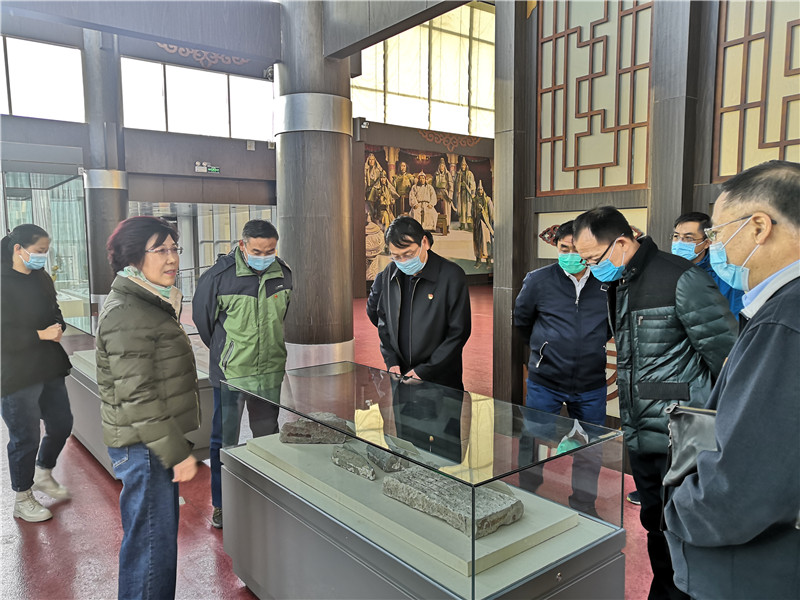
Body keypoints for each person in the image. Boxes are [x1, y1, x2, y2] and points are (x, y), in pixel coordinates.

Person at [573, 206, 737, 600]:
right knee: (655, 525)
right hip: (641, 430)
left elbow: (728, 360)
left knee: (684, 530)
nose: (590, 268)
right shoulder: (621, 281)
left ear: (622, 242)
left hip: (681, 436)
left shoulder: (680, 278)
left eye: (593, 259)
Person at [664, 160, 800, 600]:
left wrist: (679, 511)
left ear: (759, 227)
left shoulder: (784, 322)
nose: (715, 246)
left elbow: (743, 484)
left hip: (756, 571)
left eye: (718, 233)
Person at [96, 216, 200, 600]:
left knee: (152, 543)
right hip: (144, 446)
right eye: (160, 250)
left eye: (174, 248)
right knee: (152, 548)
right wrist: (175, 453)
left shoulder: (149, 301)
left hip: (149, 441)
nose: (172, 258)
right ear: (133, 257)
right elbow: (138, 394)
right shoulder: (128, 311)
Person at [192, 219, 292, 529]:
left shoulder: (283, 274)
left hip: (269, 372)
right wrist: (229, 352)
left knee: (268, 436)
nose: (264, 256)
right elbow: (204, 323)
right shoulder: (218, 277)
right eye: (257, 251)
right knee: (225, 440)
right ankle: (222, 503)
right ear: (242, 246)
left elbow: (282, 316)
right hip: (231, 374)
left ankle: (266, 495)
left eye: (270, 251)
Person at [513, 220, 610, 517]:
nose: (569, 255)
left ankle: (584, 502)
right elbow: (522, 321)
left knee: (591, 444)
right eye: (563, 248)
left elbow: (611, 325)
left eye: (575, 249)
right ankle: (528, 492)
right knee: (534, 437)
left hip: (591, 382)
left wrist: (589, 345)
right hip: (546, 380)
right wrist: (545, 350)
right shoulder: (538, 280)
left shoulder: (608, 282)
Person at [1, 224, 73, 523]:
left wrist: (58, 325)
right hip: (16, 373)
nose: (43, 256)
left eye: (46, 251)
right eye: (39, 251)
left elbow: (54, 309)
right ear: (18, 249)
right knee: (25, 437)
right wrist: (39, 335)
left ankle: (44, 471)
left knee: (61, 424)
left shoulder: (41, 277)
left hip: (48, 365)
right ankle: (22, 496)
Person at [372, 216, 471, 390]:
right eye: (396, 256)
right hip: (401, 376)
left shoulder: (451, 275)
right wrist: (391, 360)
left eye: (408, 254)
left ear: (424, 242)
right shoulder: (389, 274)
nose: (403, 261)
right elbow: (383, 320)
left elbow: (458, 332)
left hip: (441, 379)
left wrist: (425, 371)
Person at [672, 211, 744, 318]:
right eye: (676, 236)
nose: (680, 242)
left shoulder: (724, 275)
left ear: (707, 243)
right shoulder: (665, 271)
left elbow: (734, 319)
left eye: (688, 238)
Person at [471, 181, 494, 267]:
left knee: (487, 242)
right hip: (477, 224)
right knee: (477, 242)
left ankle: (488, 261)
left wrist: (489, 223)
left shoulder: (488, 200)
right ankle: (478, 260)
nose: (480, 191)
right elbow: (472, 211)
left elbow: (491, 213)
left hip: (486, 225)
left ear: (483, 190)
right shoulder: (474, 200)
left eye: (481, 189)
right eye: (478, 190)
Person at [453, 158, 475, 231]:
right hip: (461, 193)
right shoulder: (459, 174)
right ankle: (462, 225)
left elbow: (472, 183)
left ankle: (469, 225)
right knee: (462, 209)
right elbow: (456, 183)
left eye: (464, 165)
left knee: (468, 209)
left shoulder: (470, 174)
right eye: (462, 165)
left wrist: (471, 190)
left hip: (468, 193)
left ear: (466, 166)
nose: (463, 167)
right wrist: (459, 185)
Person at [432, 157, 454, 228]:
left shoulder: (447, 174)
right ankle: (437, 225)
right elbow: (433, 185)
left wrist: (450, 196)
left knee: (446, 211)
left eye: (443, 166)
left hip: (445, 194)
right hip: (437, 193)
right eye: (440, 166)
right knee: (437, 210)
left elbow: (451, 185)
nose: (441, 167)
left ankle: (446, 226)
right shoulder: (436, 174)